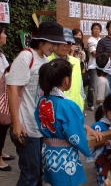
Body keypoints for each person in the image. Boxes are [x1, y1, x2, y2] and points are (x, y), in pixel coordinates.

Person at [6, 22, 64, 185]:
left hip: (39, 126)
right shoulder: (26, 57)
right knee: (30, 174)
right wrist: (16, 124)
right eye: (53, 43)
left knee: (38, 172)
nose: (54, 47)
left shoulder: (45, 59)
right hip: (25, 127)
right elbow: (13, 90)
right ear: (41, 40)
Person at [35, 58, 91, 186]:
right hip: (65, 156)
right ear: (66, 80)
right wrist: (87, 151)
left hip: (48, 152)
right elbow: (75, 134)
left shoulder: (43, 100)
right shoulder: (67, 105)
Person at [90, 94, 111, 186]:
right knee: (105, 181)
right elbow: (91, 145)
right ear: (105, 111)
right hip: (103, 162)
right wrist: (101, 143)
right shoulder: (98, 127)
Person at [48, 27, 85, 111]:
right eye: (62, 42)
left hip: (75, 109)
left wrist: (82, 101)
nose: (66, 46)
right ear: (55, 43)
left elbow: (80, 87)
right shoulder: (47, 61)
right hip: (55, 110)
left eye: (69, 43)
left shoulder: (75, 61)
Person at [0, 24, 14, 172]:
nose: (6, 36)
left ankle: (1, 151)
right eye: (4, 33)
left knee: (3, 125)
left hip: (3, 94)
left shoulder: (2, 54)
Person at [87, 23, 102, 110]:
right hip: (93, 66)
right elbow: (94, 53)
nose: (96, 30)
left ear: (100, 30)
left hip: (101, 66)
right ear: (92, 30)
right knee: (92, 86)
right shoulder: (90, 40)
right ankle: (90, 104)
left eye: (98, 29)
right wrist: (104, 54)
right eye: (95, 29)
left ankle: (98, 103)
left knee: (99, 85)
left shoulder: (101, 40)